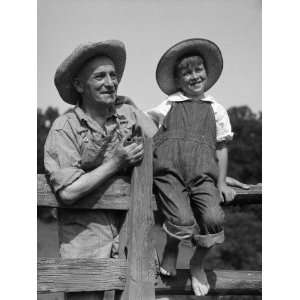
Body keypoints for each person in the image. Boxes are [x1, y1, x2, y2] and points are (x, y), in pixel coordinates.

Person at [44, 40, 157, 300]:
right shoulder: (65, 128)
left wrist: (211, 176)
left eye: (113, 75)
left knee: (138, 295)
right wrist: (116, 163)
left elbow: (164, 153)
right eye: (100, 76)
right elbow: (69, 192)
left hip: (132, 229)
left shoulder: (129, 114)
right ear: (79, 85)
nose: (110, 82)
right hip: (85, 234)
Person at [147, 38, 239, 296]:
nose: (194, 76)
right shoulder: (167, 105)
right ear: (178, 79)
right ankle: (171, 249)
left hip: (203, 176)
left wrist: (221, 182)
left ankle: (197, 262)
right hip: (170, 175)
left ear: (206, 74)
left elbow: (221, 148)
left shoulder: (216, 109)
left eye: (198, 70)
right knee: (182, 219)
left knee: (213, 218)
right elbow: (143, 125)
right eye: (186, 72)